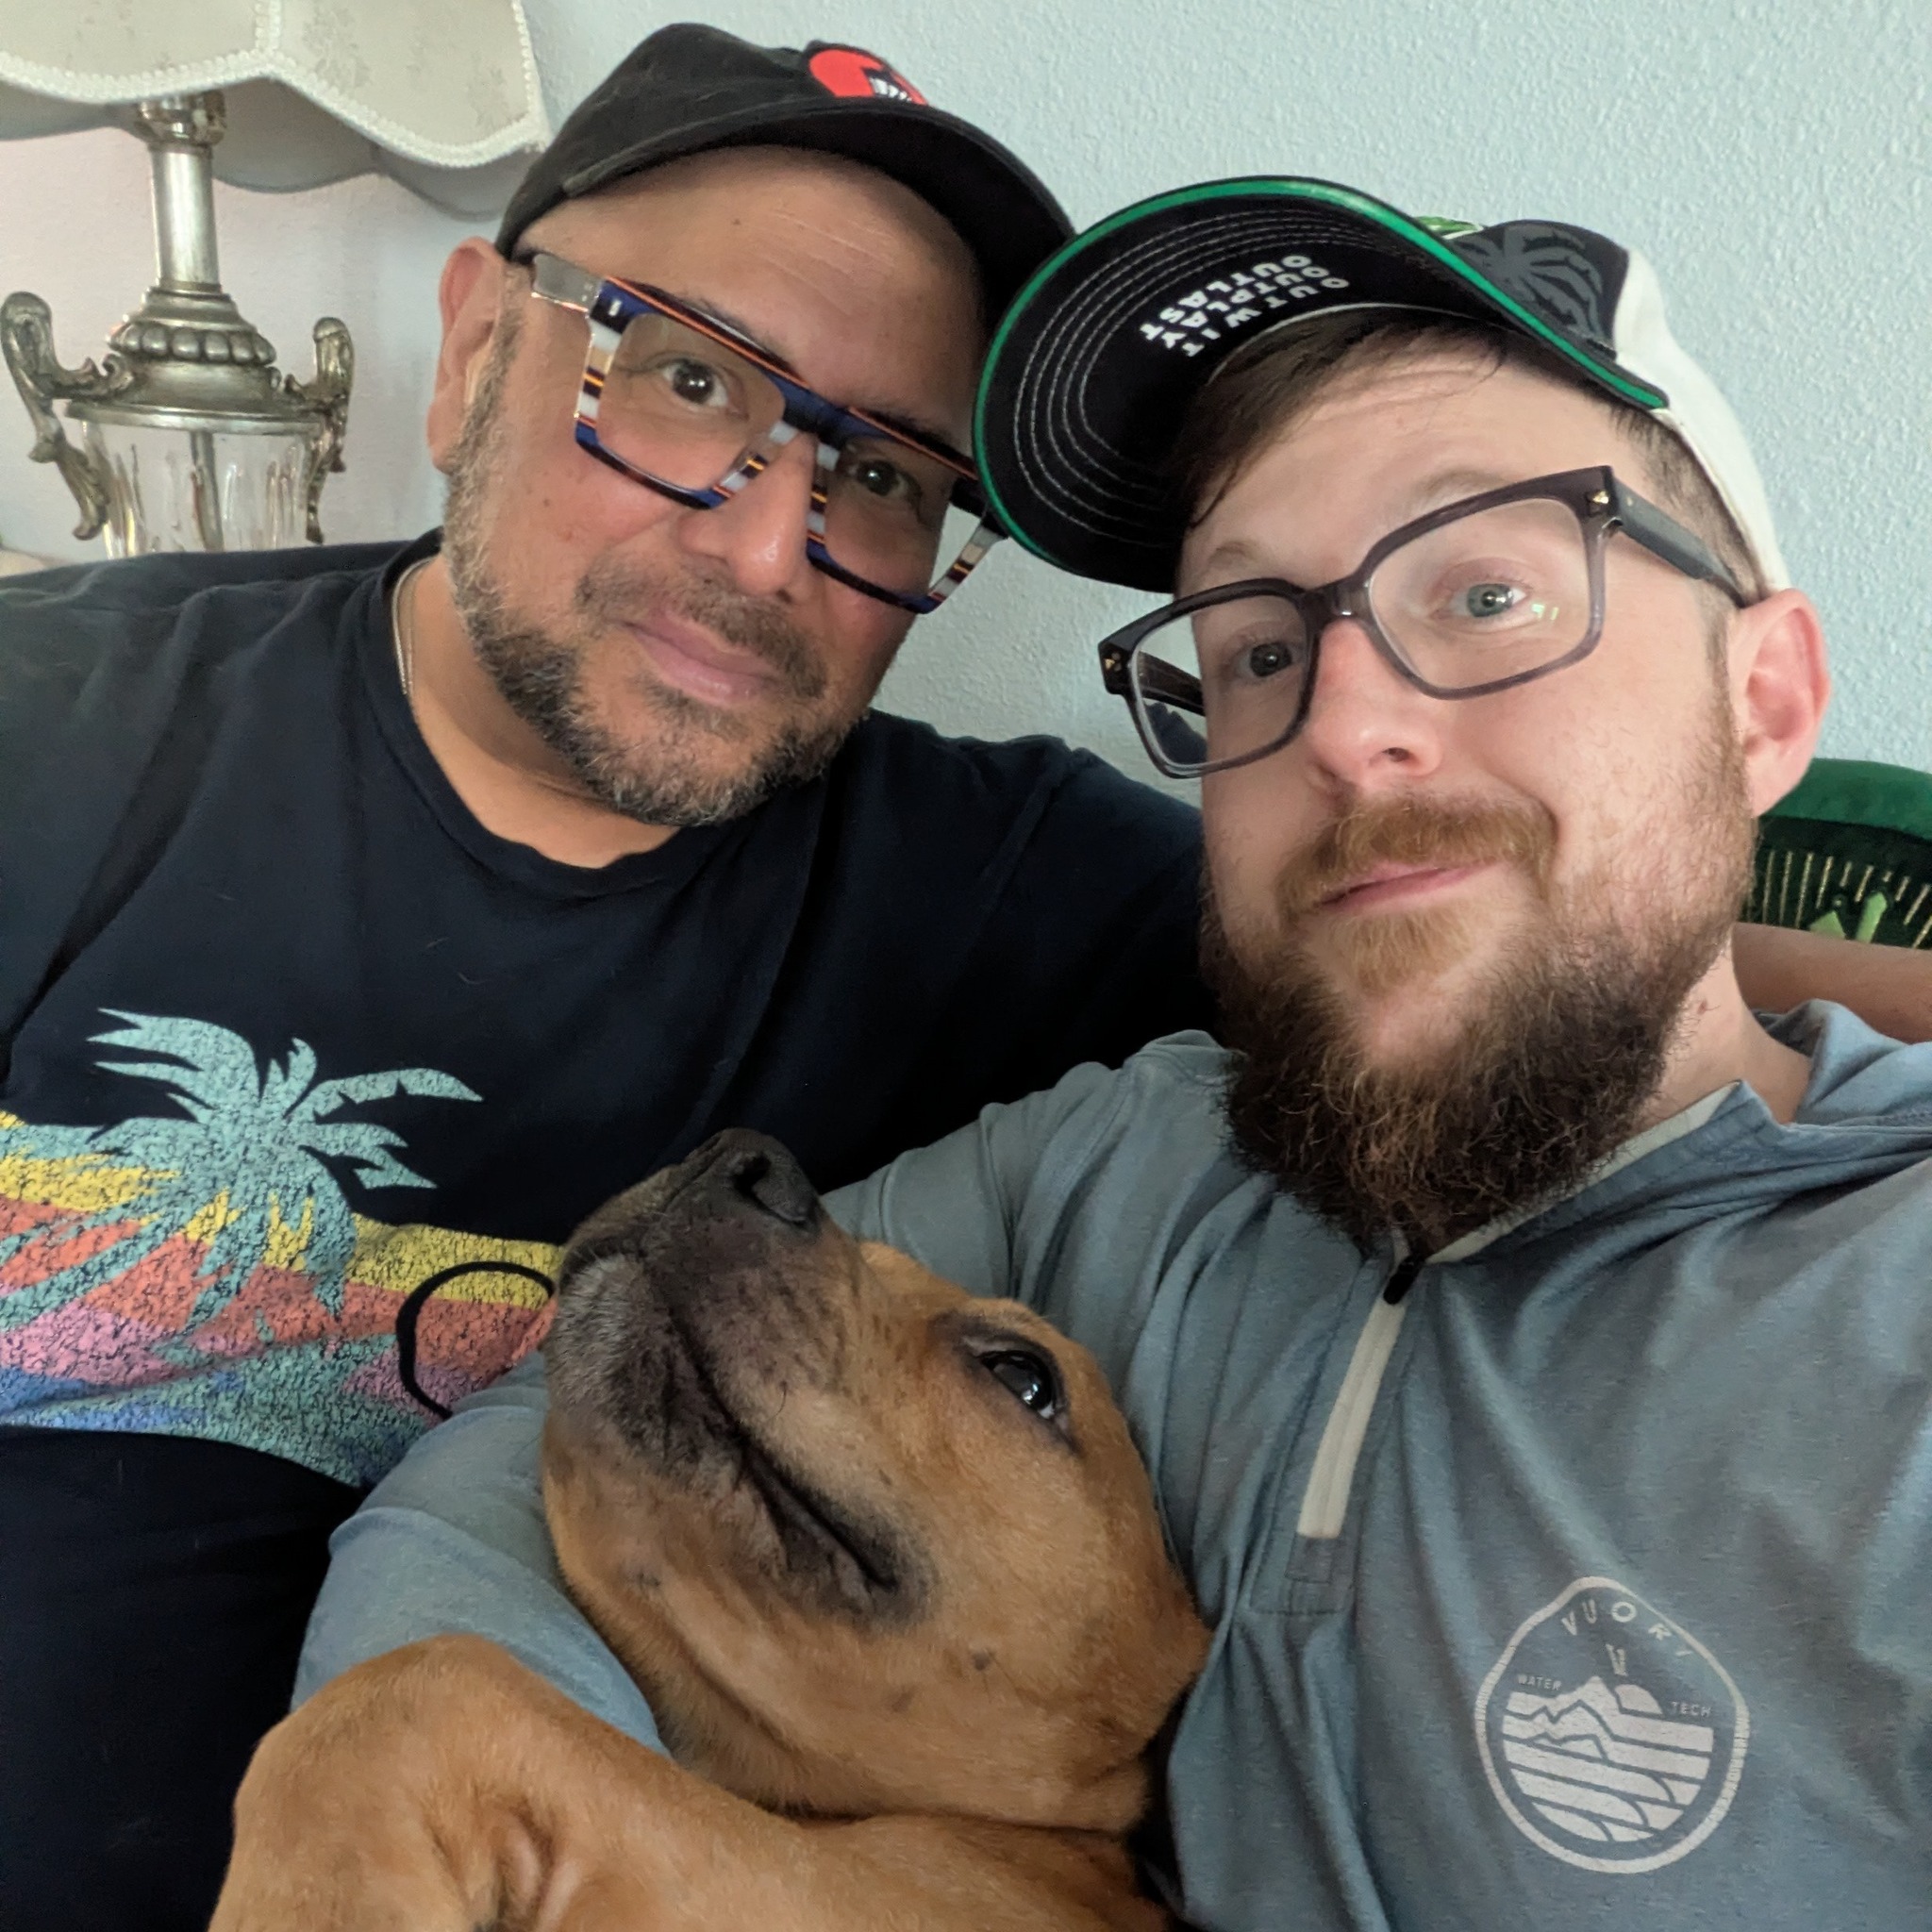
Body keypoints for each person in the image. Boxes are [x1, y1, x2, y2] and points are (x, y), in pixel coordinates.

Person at [293, 177, 1932, 1927]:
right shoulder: (1124, 1168)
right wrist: (430, 1810)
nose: (1348, 727)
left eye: (1484, 592)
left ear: (1763, 700)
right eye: (1259, 647)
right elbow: (553, 1422)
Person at [0, 29, 1220, 1932]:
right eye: (685, 376)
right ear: (474, 348)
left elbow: (1566, 968)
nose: (766, 545)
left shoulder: (1017, 892)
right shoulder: (53, 728)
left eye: (883, 475)